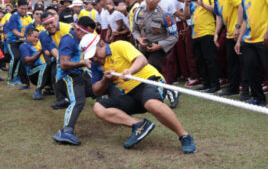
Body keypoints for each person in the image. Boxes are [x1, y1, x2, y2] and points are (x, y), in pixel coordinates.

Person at [80, 33, 197, 154]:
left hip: (149, 81)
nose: (94, 59)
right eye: (91, 57)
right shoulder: (96, 65)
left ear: (102, 44)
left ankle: (184, 136)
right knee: (99, 107)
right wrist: (105, 79)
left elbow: (142, 59)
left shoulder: (119, 46)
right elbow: (96, 90)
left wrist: (130, 71)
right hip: (129, 94)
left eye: (95, 54)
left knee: (151, 103)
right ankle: (139, 125)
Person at [132, 0, 180, 109]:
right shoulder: (138, 12)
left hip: (159, 49)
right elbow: (135, 30)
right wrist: (139, 39)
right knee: (142, 72)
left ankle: (168, 92)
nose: (151, 0)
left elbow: (174, 36)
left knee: (152, 71)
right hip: (143, 47)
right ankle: (156, 95)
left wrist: (158, 46)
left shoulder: (166, 15)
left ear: (159, 0)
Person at [51, 16, 96, 145]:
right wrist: (83, 63)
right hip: (67, 76)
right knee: (78, 101)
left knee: (101, 87)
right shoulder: (68, 40)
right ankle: (65, 131)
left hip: (79, 74)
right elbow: (64, 64)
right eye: (86, 34)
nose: (88, 38)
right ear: (78, 30)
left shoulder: (81, 39)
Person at [184, 0, 220, 93]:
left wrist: (203, 4)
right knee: (200, 61)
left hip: (208, 32)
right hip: (195, 34)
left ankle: (215, 85)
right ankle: (206, 83)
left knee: (210, 60)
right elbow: (187, 16)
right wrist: (186, 4)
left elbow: (217, 9)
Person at [212, 0, 244, 96]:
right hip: (229, 33)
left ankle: (246, 90)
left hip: (239, 33)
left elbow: (240, 7)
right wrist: (216, 33)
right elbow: (219, 16)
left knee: (244, 62)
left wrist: (238, 27)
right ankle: (233, 89)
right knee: (232, 63)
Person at [6, 0, 33, 88]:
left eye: (26, 9)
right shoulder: (14, 17)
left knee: (21, 59)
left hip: (22, 42)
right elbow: (14, 31)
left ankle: (17, 78)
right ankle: (9, 79)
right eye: (22, 9)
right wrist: (24, 37)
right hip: (12, 42)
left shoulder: (28, 17)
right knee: (15, 57)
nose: (24, 11)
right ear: (17, 7)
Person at [19, 28, 51, 100]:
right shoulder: (24, 46)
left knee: (54, 65)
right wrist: (40, 52)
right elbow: (28, 61)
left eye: (38, 37)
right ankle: (38, 90)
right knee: (46, 65)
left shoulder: (37, 46)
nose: (37, 39)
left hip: (43, 71)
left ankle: (50, 88)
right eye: (35, 37)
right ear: (28, 36)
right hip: (33, 74)